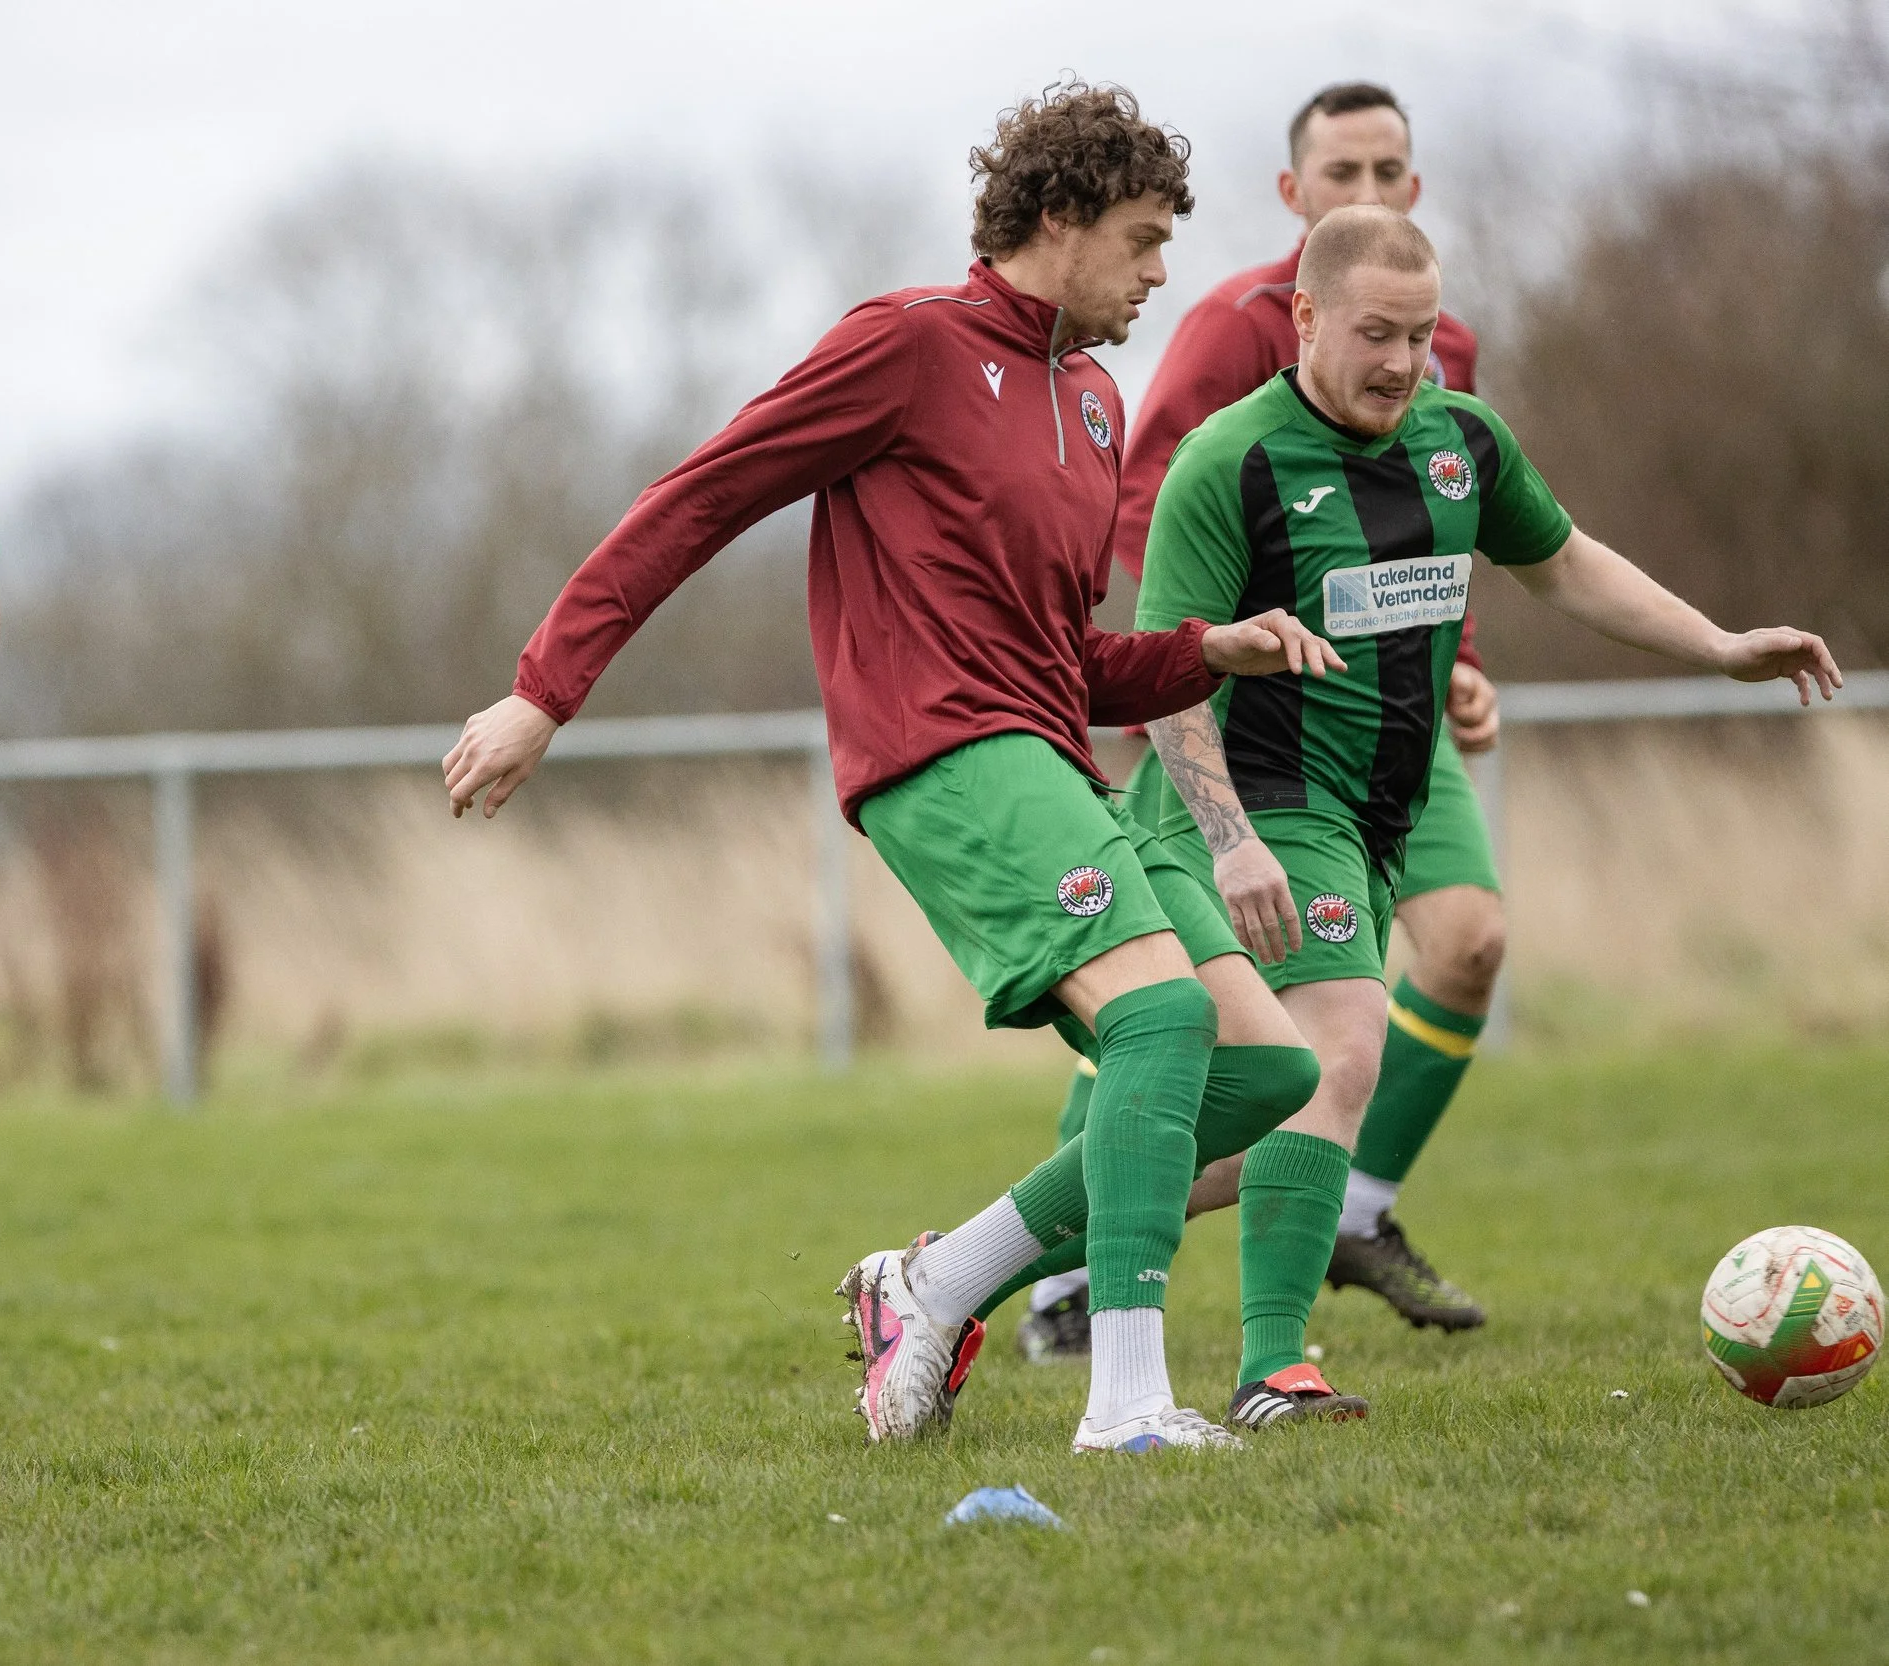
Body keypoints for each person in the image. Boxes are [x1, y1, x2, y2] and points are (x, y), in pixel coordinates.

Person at [446, 82, 1342, 1454]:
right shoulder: (908, 345)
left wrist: (1207, 649)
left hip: (1050, 758)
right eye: (1143, 239)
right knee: (1162, 1024)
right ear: (1057, 219)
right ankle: (1126, 1405)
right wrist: (543, 690)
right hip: (944, 758)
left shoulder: (1095, 404)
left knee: (1268, 1069)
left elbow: (1064, 660)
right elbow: (702, 495)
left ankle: (940, 1279)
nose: (1163, 272)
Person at [1134, 203, 1837, 1427]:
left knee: (1253, 1128)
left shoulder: (1462, 442)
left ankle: (962, 1262)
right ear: (1301, 317)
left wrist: (1718, 644)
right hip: (1265, 800)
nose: (1402, 363)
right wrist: (1233, 837)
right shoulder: (1228, 461)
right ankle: (1271, 1370)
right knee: (1343, 1048)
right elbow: (1162, 668)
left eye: (1420, 335)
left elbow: (1563, 562)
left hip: (1383, 806)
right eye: (1372, 334)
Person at [1018, 81, 1496, 1363]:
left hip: (1400, 723)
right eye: (1340, 172)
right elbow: (1152, 504)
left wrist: (1456, 659)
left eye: (1388, 168)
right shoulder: (1241, 335)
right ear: (1294, 199)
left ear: (1415, 183)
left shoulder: (1434, 347)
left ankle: (1354, 1206)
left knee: (1467, 944)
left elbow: (1442, 526)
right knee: (1228, 1024)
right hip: (1256, 727)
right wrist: (1179, 655)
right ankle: (1088, 1271)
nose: (1367, 193)